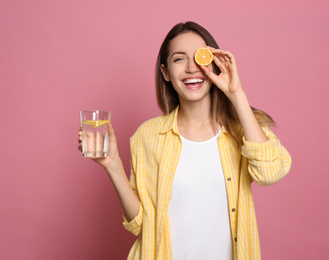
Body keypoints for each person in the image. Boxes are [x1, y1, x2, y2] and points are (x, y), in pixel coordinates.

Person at [78, 21, 292, 260]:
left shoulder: (241, 131)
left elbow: (271, 172)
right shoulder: (148, 135)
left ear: (215, 64)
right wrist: (113, 165)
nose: (192, 68)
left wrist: (236, 94)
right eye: (179, 59)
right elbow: (140, 224)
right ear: (166, 72)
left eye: (200, 58)